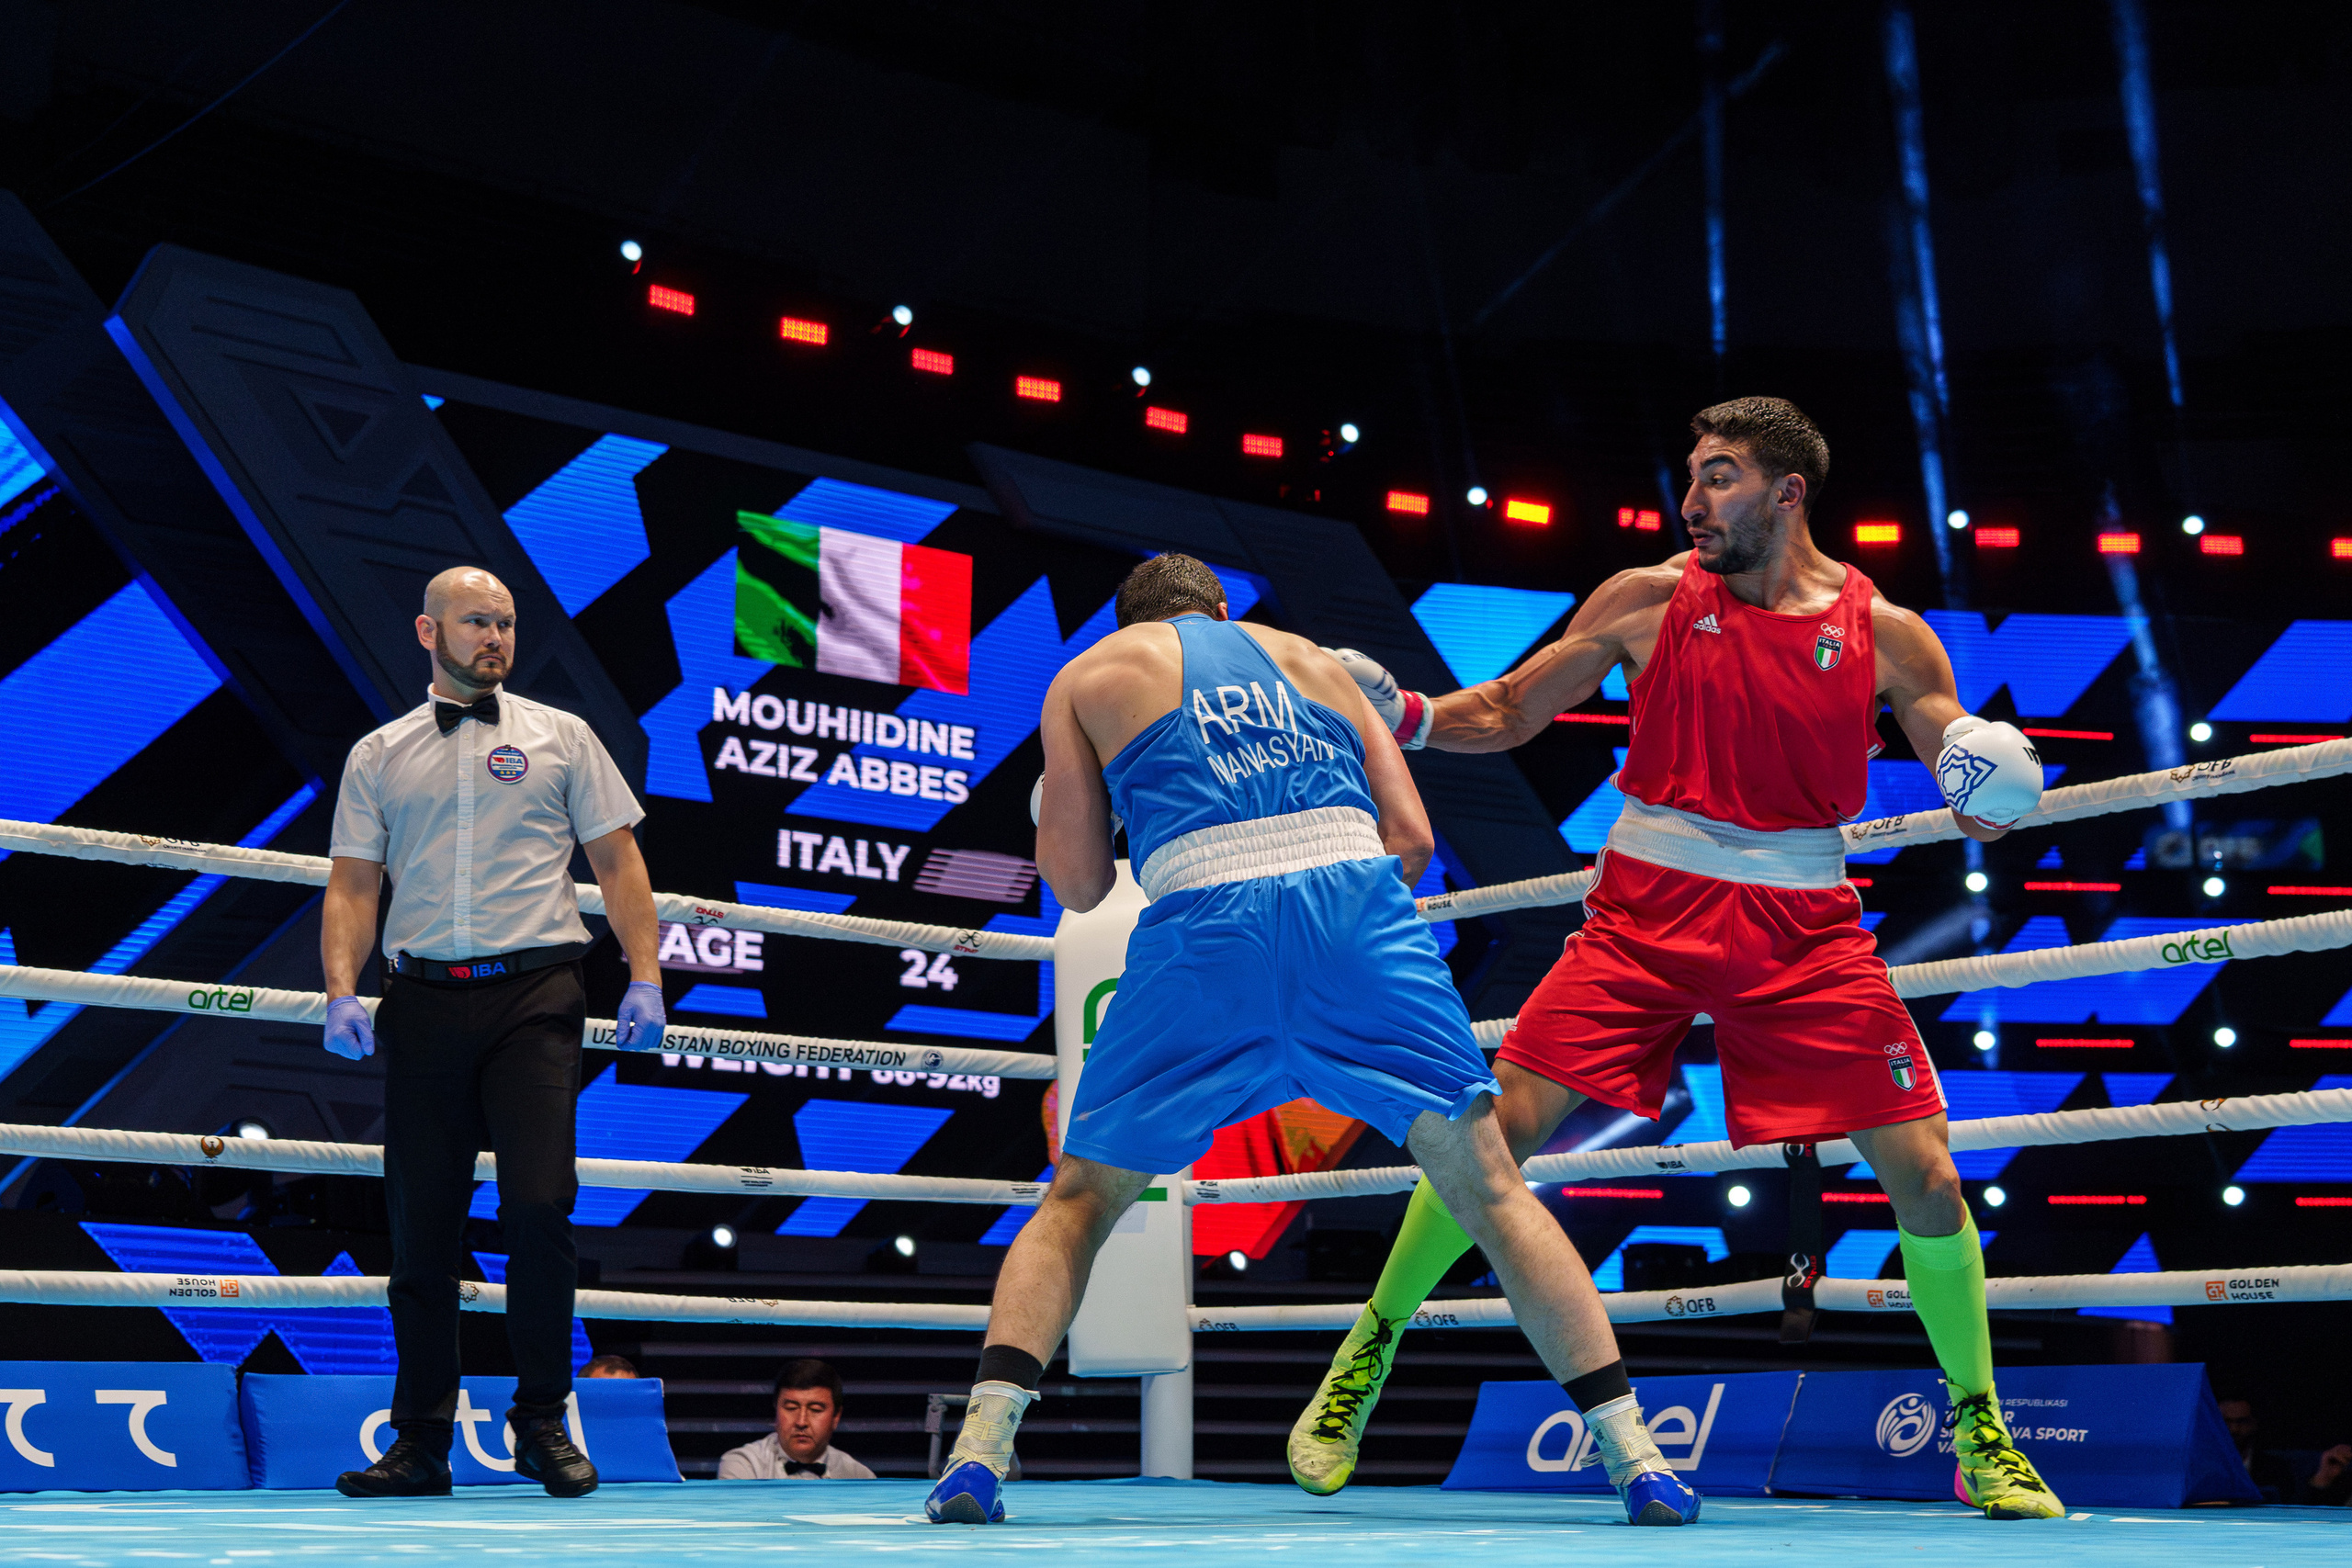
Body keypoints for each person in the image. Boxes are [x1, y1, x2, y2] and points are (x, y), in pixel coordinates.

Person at [1301, 398, 2062, 1521]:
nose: (1692, 501)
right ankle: (1363, 1357)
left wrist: (1992, 790)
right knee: (1491, 1132)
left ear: (1787, 493)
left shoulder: (1888, 633)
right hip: (1646, 906)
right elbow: (1507, 710)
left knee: (1930, 1176)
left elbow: (1962, 776)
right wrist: (1400, 714)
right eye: (1693, 475)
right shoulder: (1647, 597)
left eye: (1719, 476)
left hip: (1804, 922)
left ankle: (1980, 1430)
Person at [923, 552, 1699, 1528]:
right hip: (1355, 916)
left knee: (1080, 1201)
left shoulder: (1090, 675)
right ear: (1219, 609)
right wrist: (1339, 920)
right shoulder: (1318, 661)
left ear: (1132, 627)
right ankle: (1638, 1461)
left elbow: (1080, 887)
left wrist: (1115, 811)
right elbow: (1411, 840)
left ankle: (978, 1454)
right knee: (1495, 1192)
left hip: (1205, 932)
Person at [322, 566, 669, 1500]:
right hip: (423, 1000)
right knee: (422, 1225)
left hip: (537, 997)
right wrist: (340, 989)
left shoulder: (563, 736)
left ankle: (543, 1420)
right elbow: (353, 883)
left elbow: (618, 861)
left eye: (506, 622)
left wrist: (644, 974)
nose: (495, 637)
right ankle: (420, 1441)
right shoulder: (378, 753)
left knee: (541, 1208)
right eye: (476, 620)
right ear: (428, 631)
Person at [718, 1359, 876, 1480]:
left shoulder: (859, 1477)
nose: (801, 1422)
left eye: (815, 1410)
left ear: (836, 1417)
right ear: (776, 1410)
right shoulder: (743, 1465)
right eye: (791, 1408)